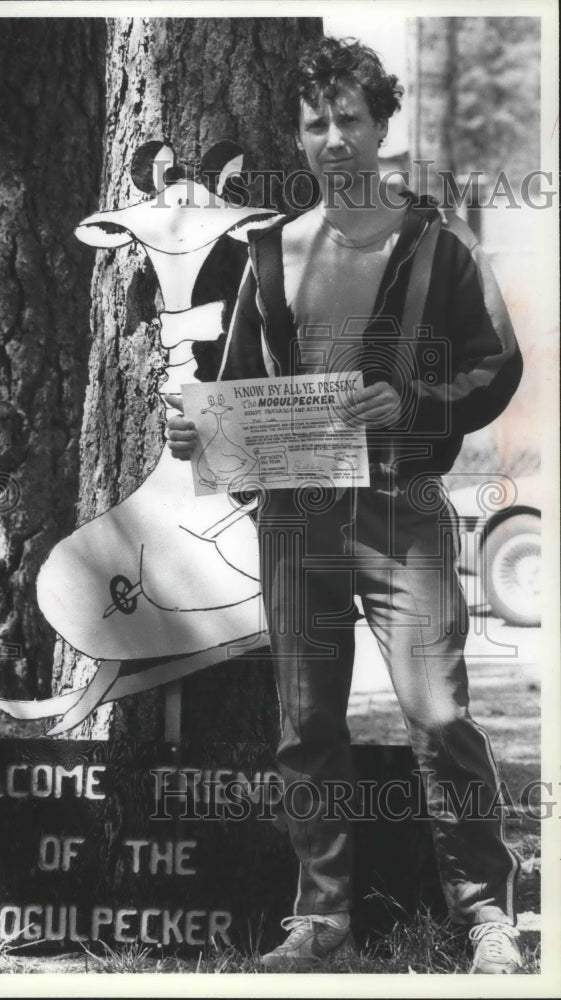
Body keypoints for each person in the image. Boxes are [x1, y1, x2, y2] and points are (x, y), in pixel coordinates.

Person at [167, 35, 524, 974]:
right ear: (300, 133)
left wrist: (414, 401)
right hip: (294, 520)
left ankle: (485, 911)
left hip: (400, 510)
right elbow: (241, 386)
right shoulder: (268, 252)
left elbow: (495, 365)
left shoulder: (436, 246)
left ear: (381, 127)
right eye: (314, 122)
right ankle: (320, 918)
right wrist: (200, 434)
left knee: (439, 712)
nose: (332, 139)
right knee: (305, 722)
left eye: (349, 121)